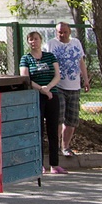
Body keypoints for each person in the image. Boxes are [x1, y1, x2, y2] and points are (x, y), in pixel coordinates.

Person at [20, 31, 66, 174]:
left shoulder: (50, 56)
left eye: (36, 39)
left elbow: (57, 75)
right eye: (31, 40)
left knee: (53, 130)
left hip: (52, 95)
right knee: (38, 130)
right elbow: (25, 77)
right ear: (28, 42)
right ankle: (39, 164)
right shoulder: (26, 58)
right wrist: (41, 89)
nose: (34, 42)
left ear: (41, 40)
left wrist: (49, 88)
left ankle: (54, 164)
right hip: (36, 96)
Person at [47, 22, 90, 156]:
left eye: (65, 32)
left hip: (74, 86)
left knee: (72, 120)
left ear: (69, 32)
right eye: (60, 32)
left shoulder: (76, 43)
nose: (62, 35)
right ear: (56, 32)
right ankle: (55, 148)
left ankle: (66, 147)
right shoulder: (51, 44)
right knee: (58, 118)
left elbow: (80, 62)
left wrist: (86, 79)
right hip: (58, 86)